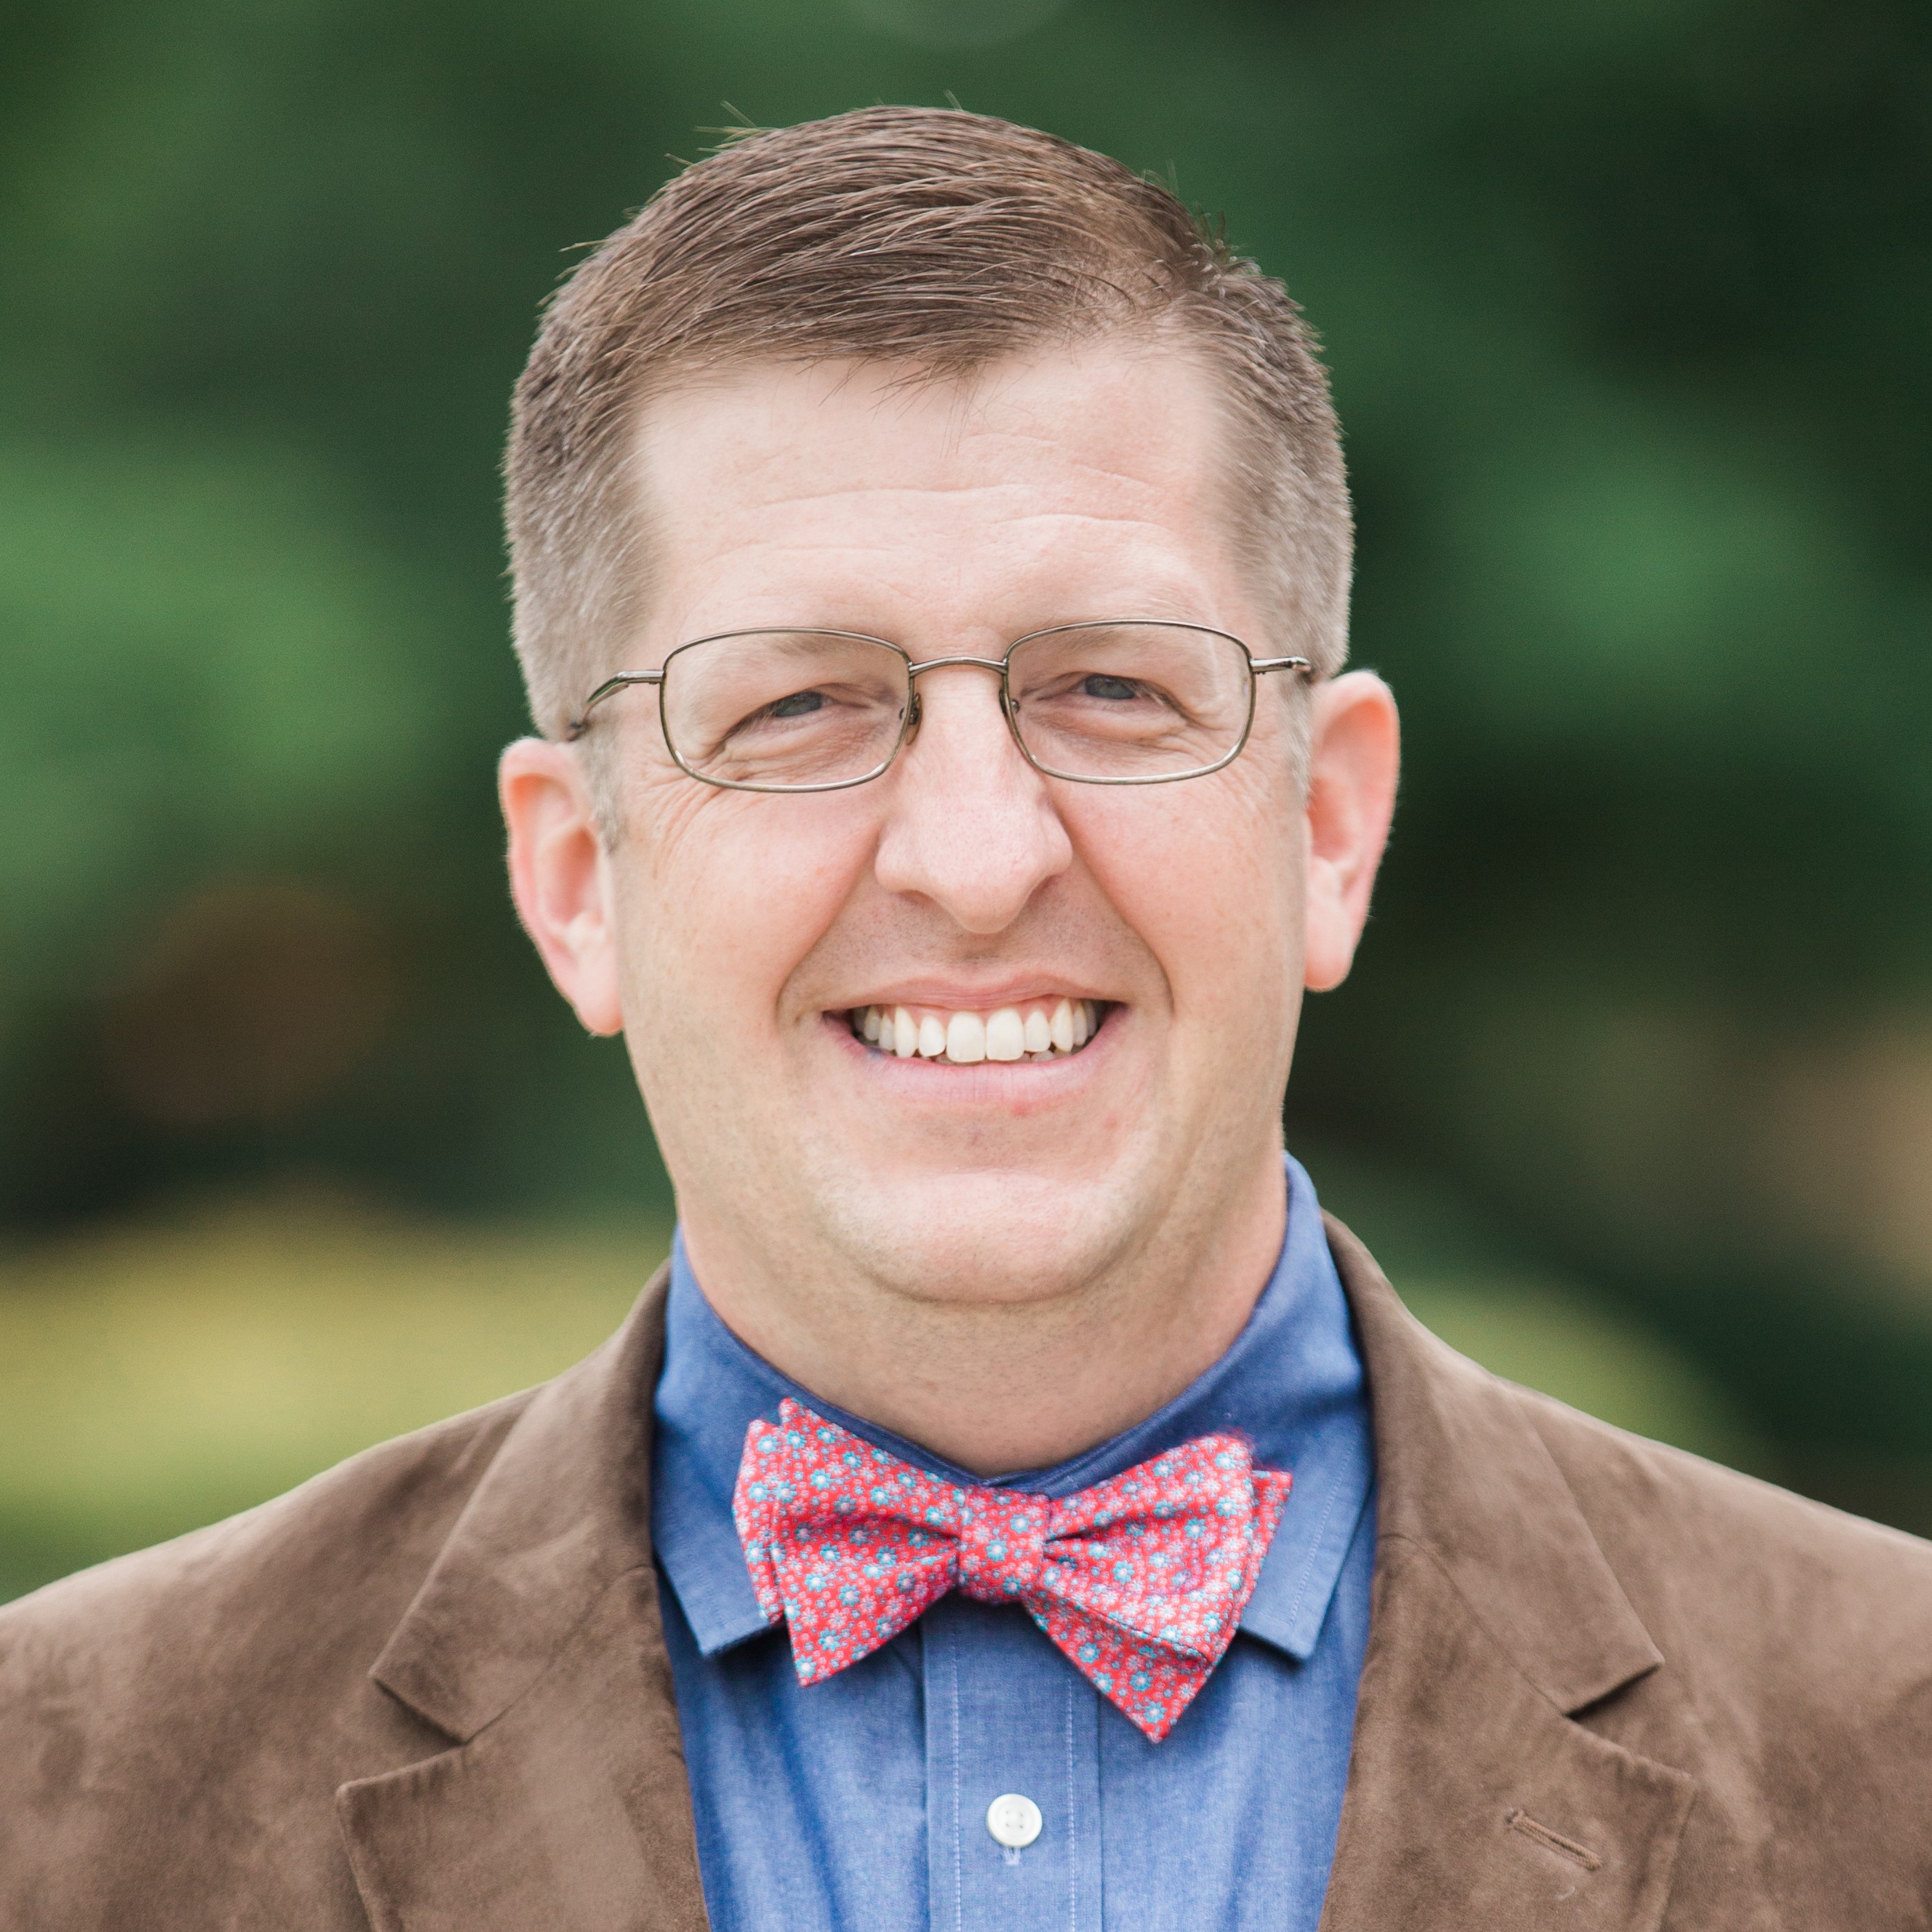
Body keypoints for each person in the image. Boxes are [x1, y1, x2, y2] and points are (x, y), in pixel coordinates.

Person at [2, 105, 1928, 1932]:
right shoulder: (55, 1788)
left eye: (1111, 687)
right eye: (793, 706)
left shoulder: (1892, 1740)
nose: (977, 857)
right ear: (577, 880)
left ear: (1328, 825)